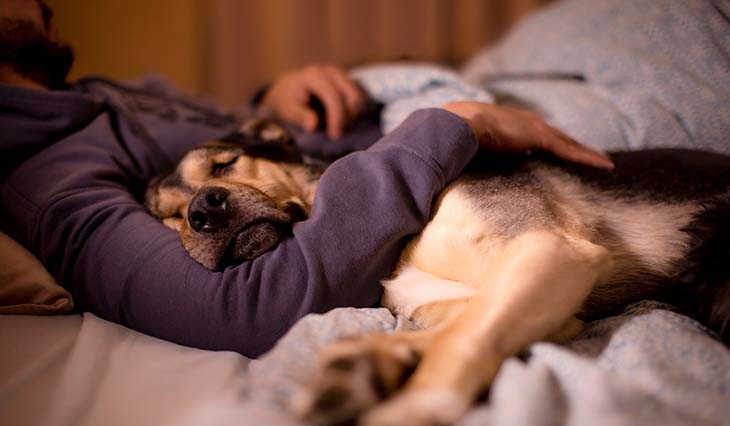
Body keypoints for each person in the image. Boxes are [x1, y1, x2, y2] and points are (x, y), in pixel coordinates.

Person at [0, 0, 611, 357]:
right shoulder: (47, 180)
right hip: (469, 156)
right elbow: (245, 309)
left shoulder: (97, 94)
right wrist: (450, 125)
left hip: (422, 120)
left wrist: (274, 99)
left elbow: (241, 139)